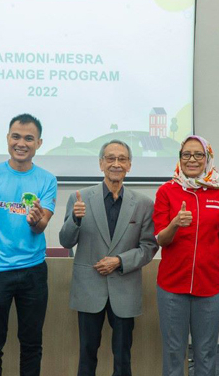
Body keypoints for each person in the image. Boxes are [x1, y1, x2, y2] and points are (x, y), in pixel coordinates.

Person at [59, 140, 158, 376]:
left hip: (124, 289)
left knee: (123, 357)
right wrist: (75, 219)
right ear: (101, 163)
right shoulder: (80, 198)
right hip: (89, 288)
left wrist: (120, 261)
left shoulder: (143, 204)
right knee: (87, 354)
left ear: (130, 165)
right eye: (110, 158)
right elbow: (65, 241)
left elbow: (149, 246)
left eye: (122, 159)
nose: (116, 163)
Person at [0, 113, 57, 376]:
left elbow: (42, 225)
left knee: (31, 345)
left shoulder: (47, 180)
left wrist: (35, 220)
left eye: (29, 138)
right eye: (16, 137)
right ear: (8, 139)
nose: (22, 143)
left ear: (39, 143)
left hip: (33, 271)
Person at [152, 135, 219, 376]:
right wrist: (175, 223)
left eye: (199, 154)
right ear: (179, 158)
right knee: (174, 351)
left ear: (207, 158)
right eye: (186, 154)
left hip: (210, 285)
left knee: (206, 352)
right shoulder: (167, 191)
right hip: (172, 286)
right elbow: (160, 240)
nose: (192, 159)